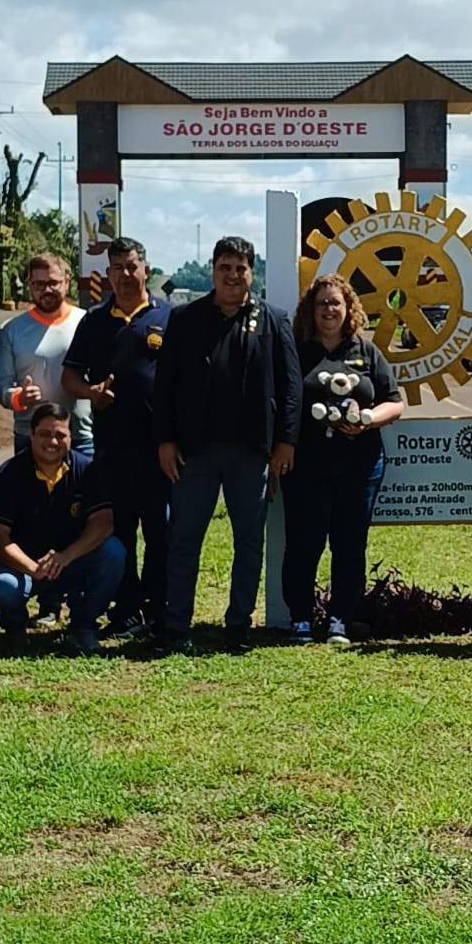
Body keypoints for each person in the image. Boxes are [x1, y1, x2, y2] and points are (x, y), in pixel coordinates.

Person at [154, 235, 301, 649]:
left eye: (241, 268)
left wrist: (286, 442)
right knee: (184, 538)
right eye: (225, 267)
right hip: (193, 451)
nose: (233, 275)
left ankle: (238, 624)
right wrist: (165, 440)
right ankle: (176, 625)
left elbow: (291, 388)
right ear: (213, 271)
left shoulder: (273, 320)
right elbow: (164, 385)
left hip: (252, 451)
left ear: (252, 272)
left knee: (249, 541)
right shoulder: (185, 319)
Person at [282, 273, 405, 645]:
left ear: (349, 308)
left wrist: (367, 421)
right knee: (304, 543)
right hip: (307, 467)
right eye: (322, 304)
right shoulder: (297, 351)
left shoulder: (366, 352)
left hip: (360, 466)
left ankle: (340, 619)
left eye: (336, 303)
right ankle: (301, 619)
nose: (329, 310)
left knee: (350, 545)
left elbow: (396, 402)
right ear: (310, 310)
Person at [62, 236, 172, 637]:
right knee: (121, 532)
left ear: (145, 268)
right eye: (117, 268)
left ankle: (159, 610)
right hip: (112, 449)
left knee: (161, 533)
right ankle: (126, 612)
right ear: (106, 275)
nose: (125, 275)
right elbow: (69, 377)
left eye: (132, 266)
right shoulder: (94, 321)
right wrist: (91, 393)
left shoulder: (167, 318)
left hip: (160, 449)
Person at [0, 402, 126, 654]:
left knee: (113, 552)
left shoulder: (87, 469)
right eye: (45, 434)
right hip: (22, 567)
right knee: (4, 587)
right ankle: (15, 630)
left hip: (69, 563)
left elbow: (103, 523)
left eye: (60, 435)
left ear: (71, 437)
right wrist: (32, 568)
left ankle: (83, 627)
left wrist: (66, 556)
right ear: (32, 435)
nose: (52, 441)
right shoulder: (8, 475)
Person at [0, 253, 93, 457]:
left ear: (66, 282)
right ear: (29, 285)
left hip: (79, 437)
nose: (46, 290)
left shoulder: (88, 323)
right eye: (38, 284)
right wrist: (18, 397)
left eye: (53, 283)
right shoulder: (11, 330)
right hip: (30, 436)